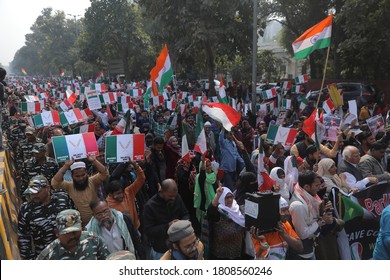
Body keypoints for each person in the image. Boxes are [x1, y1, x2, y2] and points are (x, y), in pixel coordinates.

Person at [17, 175, 75, 259]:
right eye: (31, 193)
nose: (33, 195)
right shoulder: (26, 210)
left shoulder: (63, 199)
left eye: (37, 192)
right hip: (45, 255)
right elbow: (23, 237)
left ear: (47, 188)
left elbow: (76, 219)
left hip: (70, 252)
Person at [51, 157, 109, 227]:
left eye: (83, 175)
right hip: (80, 226)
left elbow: (105, 173)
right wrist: (66, 166)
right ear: (72, 176)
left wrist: (94, 160)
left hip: (97, 223)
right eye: (77, 176)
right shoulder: (68, 186)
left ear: (87, 173)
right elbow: (55, 183)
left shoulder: (92, 181)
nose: (81, 178)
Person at [289, 170, 334, 259]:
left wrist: (322, 210)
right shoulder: (298, 206)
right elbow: (303, 234)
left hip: (311, 248)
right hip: (302, 255)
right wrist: (321, 221)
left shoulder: (308, 197)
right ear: (306, 187)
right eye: (316, 186)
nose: (319, 188)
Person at [142, 178, 189, 259]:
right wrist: (168, 226)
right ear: (162, 191)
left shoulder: (176, 197)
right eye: (170, 196)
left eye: (174, 195)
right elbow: (148, 231)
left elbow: (185, 214)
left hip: (180, 246)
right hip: (161, 250)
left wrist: (181, 224)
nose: (173, 198)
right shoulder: (150, 207)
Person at [37, 209, 110, 260]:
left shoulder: (93, 240)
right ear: (57, 233)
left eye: (75, 231)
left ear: (81, 227)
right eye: (66, 233)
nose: (72, 236)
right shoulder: (47, 256)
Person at [207, 186, 252, 260]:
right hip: (221, 253)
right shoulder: (219, 210)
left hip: (237, 251)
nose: (230, 200)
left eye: (231, 197)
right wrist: (218, 195)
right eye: (226, 198)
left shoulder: (237, 209)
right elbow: (210, 211)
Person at [105, 160, 146, 230]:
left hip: (136, 227)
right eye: (117, 194)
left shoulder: (128, 192)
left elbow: (141, 179)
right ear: (111, 194)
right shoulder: (107, 205)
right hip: (122, 232)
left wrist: (135, 165)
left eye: (121, 192)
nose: (121, 195)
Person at [194, 155, 218, 228]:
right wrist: (203, 162)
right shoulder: (200, 176)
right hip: (205, 203)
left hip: (214, 202)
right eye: (206, 166)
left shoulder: (214, 175)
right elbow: (202, 176)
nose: (209, 167)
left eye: (210, 164)